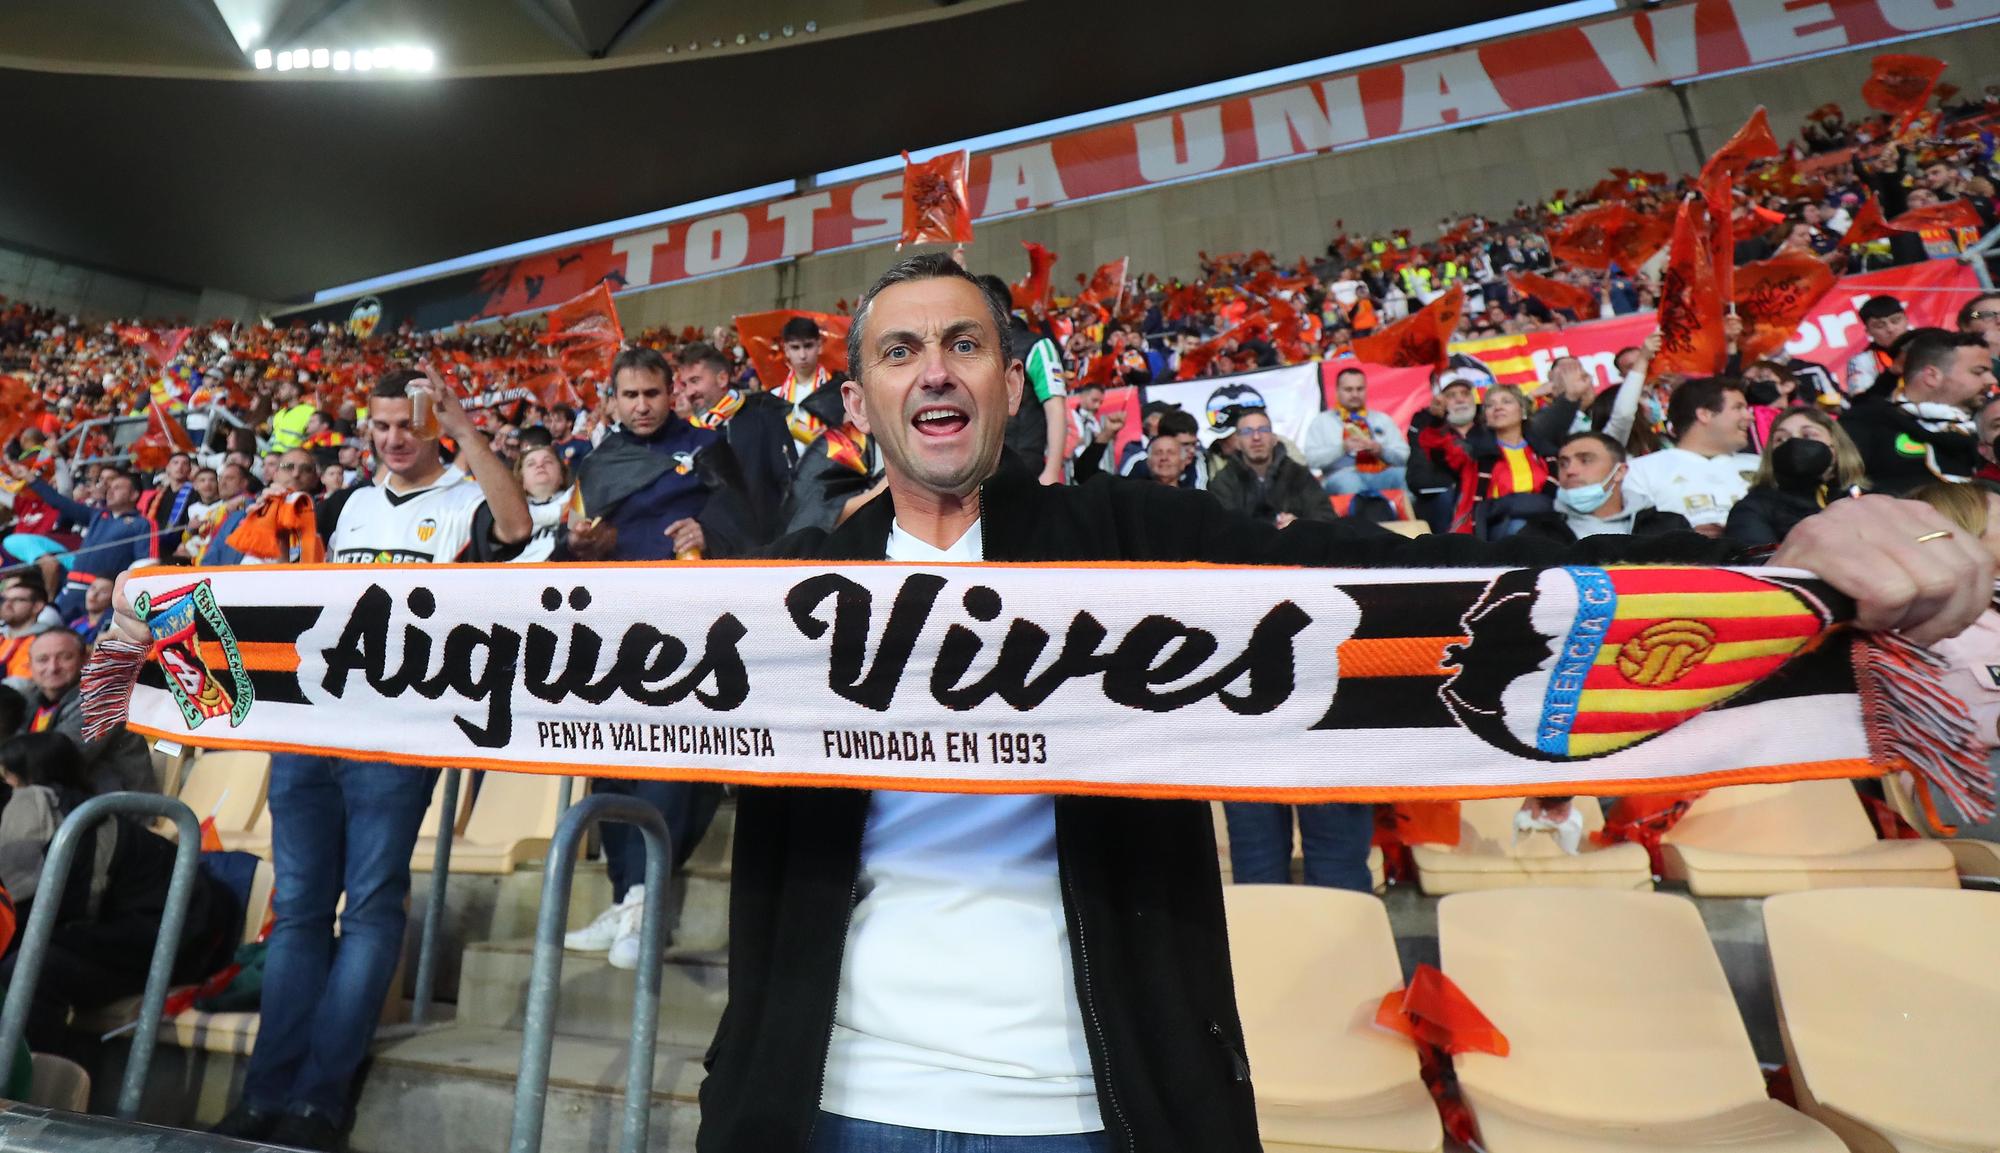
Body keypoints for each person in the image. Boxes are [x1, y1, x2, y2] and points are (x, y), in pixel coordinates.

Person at [698, 252, 1993, 1153]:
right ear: (861, 396)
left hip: (1096, 1104)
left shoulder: (1122, 532)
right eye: (901, 350)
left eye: (964, 344)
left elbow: (1403, 582)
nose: (935, 371)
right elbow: (611, 727)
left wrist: (1766, 576)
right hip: (834, 1096)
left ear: (1006, 379)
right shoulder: (779, 598)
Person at [206, 368, 531, 1151]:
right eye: (382, 425)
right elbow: (265, 578)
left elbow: (517, 527)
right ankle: (267, 1090)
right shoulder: (344, 502)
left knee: (374, 908)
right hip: (310, 726)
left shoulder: (461, 500)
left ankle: (320, 1097)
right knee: (298, 917)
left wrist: (464, 422)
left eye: (409, 423)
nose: (394, 438)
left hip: (398, 732)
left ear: (434, 425)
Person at [562, 348, 739, 970]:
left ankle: (647, 899)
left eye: (652, 394)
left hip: (687, 626)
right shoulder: (596, 461)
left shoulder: (712, 447)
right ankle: (624, 894)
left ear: (674, 394)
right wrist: (581, 545)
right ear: (611, 400)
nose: (641, 406)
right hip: (615, 626)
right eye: (629, 396)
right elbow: (577, 544)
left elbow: (754, 515)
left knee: (668, 756)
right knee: (613, 762)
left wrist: (709, 534)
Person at [0, 732, 240, 1061]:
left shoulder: (67, 821)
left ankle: (27, 1094)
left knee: (25, 968)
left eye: (9, 778)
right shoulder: (70, 813)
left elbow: (46, 911)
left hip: (169, 949)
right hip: (134, 938)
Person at [1841, 328, 1995, 493]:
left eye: (1990, 372)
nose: (1991, 380)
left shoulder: (1988, 424)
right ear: (1932, 376)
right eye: (1978, 372)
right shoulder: (1867, 423)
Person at [1419, 381, 1574, 538]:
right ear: (1486, 416)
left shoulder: (1546, 454)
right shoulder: (1472, 453)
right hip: (1491, 531)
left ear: (1523, 411)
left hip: (1545, 524)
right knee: (1519, 528)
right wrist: (1436, 421)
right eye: (1490, 405)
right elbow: (1436, 448)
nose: (1498, 407)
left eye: (1506, 401)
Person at [677, 340, 795, 541]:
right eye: (685, 384)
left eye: (695, 381)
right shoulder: (687, 432)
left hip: (763, 548)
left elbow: (789, 485)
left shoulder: (764, 419)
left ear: (722, 378)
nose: (689, 392)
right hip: (710, 553)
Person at [6, 463, 155, 622]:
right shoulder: (98, 515)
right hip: (69, 589)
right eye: (110, 487)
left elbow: (145, 566)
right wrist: (30, 478)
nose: (110, 491)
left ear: (134, 495)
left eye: (118, 487)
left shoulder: (142, 524)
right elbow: (60, 502)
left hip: (101, 598)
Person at [16, 629, 153, 794]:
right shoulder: (31, 701)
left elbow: (55, 764)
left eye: (65, 657)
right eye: (42, 660)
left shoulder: (102, 698)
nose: (53, 668)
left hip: (117, 811)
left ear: (86, 659)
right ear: (29, 665)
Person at [1621, 377, 1760, 537]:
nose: (1750, 417)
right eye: (1738, 407)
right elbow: (1633, 536)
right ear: (1705, 414)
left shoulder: (1762, 465)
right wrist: (1686, 536)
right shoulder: (1640, 470)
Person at [1725, 408, 1869, 548]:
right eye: (1780, 439)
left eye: (1808, 435)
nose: (1793, 442)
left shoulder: (1863, 498)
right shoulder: (1753, 509)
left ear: (1836, 447)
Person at [1517, 431, 1691, 543]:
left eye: (1585, 460)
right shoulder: (1536, 536)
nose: (1570, 470)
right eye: (1563, 464)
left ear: (1619, 472)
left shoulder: (1669, 528)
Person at [979, 276, 1069, 486]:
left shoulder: (1037, 346)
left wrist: (1052, 470)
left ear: (997, 308)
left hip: (1025, 466)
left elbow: (1055, 408)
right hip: (983, 473)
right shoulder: (976, 348)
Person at [1206, 410, 1334, 528]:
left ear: (1274, 439)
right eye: (1247, 432)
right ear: (1237, 442)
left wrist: (1300, 526)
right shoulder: (1224, 481)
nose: (1256, 437)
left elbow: (1326, 518)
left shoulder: (1298, 474)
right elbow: (1221, 529)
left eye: (1263, 430)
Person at [1302, 368, 1408, 495]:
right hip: (1342, 474)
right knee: (1349, 483)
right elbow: (1311, 460)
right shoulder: (1322, 421)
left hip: (1380, 473)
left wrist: (1381, 450)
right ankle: (1367, 514)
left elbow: (1405, 456)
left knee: (1405, 475)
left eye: (1360, 389)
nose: (1355, 394)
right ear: (1337, 391)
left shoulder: (1381, 419)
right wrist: (1342, 448)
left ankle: (1407, 514)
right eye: (1348, 390)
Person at [773, 316, 848, 452]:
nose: (802, 355)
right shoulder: (776, 396)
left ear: (819, 346)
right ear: (786, 350)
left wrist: (832, 437)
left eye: (808, 346)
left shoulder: (839, 391)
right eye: (795, 347)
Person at [513, 444, 571, 563]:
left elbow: (579, 534)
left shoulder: (578, 499)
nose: (540, 466)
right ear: (521, 480)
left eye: (548, 461)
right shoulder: (509, 509)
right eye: (531, 464)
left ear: (561, 475)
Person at [1846, 295, 1909, 400]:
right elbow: (1861, 401)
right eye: (1880, 326)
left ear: (1906, 319)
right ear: (1868, 332)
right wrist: (1891, 374)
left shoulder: (1931, 346)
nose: (1890, 329)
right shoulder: (1862, 361)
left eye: (1895, 321)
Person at [0, 579, 54, 694]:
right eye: (5, 600)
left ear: (37, 606)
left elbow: (20, 687)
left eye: (17, 600)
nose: (7, 605)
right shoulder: (3, 637)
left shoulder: (43, 641)